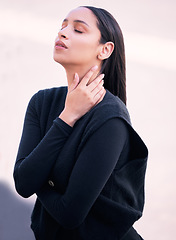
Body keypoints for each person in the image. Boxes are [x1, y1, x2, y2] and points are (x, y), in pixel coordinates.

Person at [13, 6, 148, 240]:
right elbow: (23, 184)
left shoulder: (111, 117)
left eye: (78, 29)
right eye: (63, 26)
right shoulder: (41, 102)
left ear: (105, 49)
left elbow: (70, 214)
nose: (63, 33)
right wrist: (67, 117)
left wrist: (40, 176)